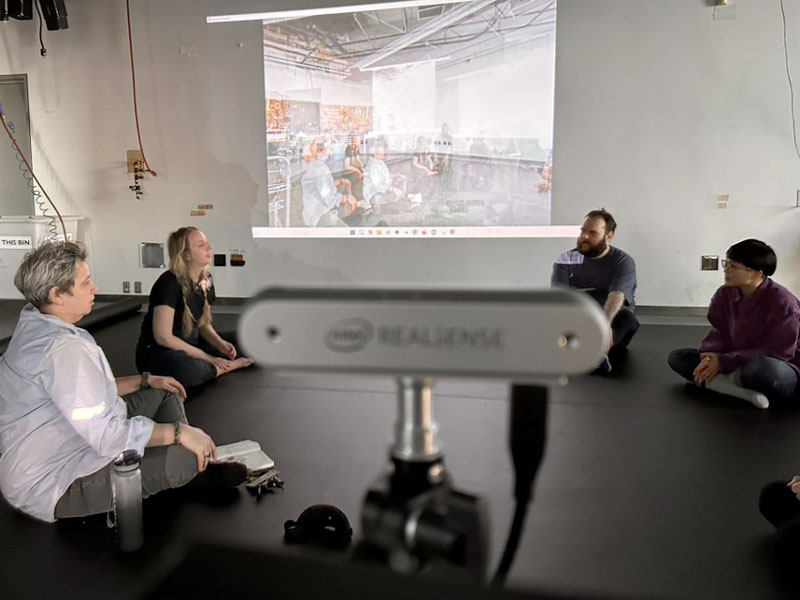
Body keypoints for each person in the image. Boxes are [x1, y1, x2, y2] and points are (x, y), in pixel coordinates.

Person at [0, 241, 246, 523]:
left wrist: (146, 380)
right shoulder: (61, 350)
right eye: (86, 283)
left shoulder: (36, 320)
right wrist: (180, 433)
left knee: (164, 391)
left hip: (69, 437)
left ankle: (188, 466)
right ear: (56, 294)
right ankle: (191, 467)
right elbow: (107, 437)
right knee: (184, 458)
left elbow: (84, 392)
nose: (94, 288)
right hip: (52, 480)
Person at [667, 239, 800, 409]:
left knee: (765, 371)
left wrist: (723, 362)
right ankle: (741, 391)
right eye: (726, 264)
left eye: (733, 266)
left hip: (781, 365)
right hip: (735, 359)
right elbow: (719, 332)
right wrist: (710, 356)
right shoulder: (724, 294)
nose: (726, 270)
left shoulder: (782, 302)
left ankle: (714, 381)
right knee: (678, 358)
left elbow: (780, 352)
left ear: (756, 273)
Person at [136, 227, 253, 389]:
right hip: (160, 352)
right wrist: (209, 358)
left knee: (245, 341)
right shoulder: (168, 283)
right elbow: (163, 337)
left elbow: (203, 325)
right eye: (201, 245)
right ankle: (222, 368)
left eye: (207, 243)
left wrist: (220, 344)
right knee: (187, 371)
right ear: (186, 255)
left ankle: (214, 365)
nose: (209, 247)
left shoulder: (206, 280)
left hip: (192, 343)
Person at [551, 208, 639, 373]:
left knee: (627, 318)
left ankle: (597, 354)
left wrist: (603, 327)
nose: (584, 237)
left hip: (611, 318)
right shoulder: (566, 259)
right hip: (580, 315)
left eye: (592, 233)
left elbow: (617, 296)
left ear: (609, 236)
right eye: (583, 231)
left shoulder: (622, 261)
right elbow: (560, 297)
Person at [301, 142, 357, 227]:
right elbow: (329, 199)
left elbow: (320, 186)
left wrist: (339, 181)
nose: (328, 151)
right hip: (319, 216)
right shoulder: (320, 169)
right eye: (326, 149)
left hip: (312, 212)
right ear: (319, 153)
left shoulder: (313, 167)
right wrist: (347, 198)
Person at [363, 142, 406, 211]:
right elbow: (378, 186)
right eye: (382, 151)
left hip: (384, 188)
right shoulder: (373, 166)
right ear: (375, 154)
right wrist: (392, 188)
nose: (384, 153)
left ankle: (399, 202)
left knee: (401, 180)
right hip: (374, 194)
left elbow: (385, 176)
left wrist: (398, 175)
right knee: (394, 194)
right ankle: (386, 209)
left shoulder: (380, 162)